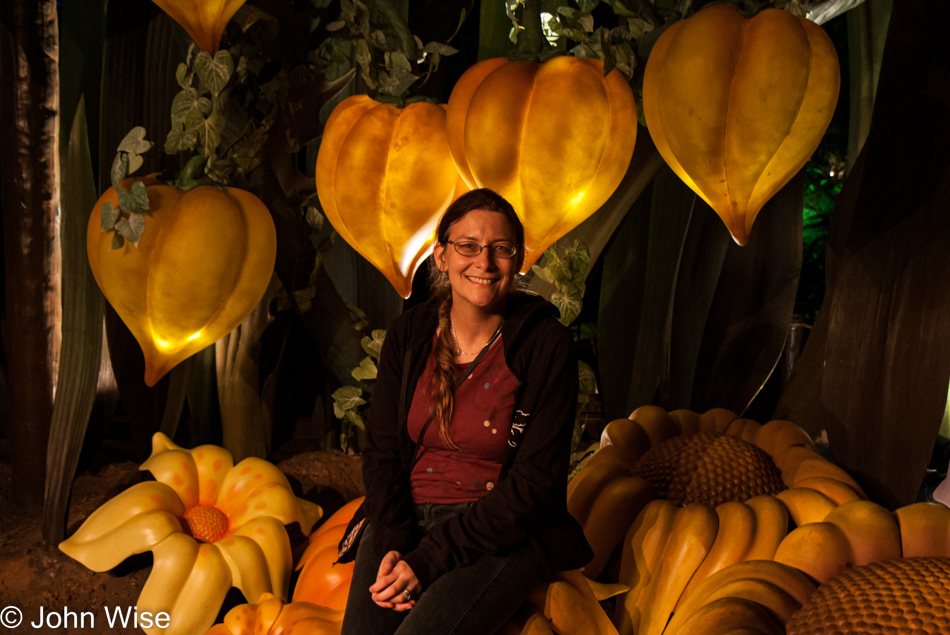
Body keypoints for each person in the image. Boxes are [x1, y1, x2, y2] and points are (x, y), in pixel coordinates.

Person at [339, 188, 592, 635]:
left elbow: (535, 486)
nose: (484, 262)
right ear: (441, 256)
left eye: (500, 249)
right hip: (404, 519)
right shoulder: (410, 334)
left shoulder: (546, 345)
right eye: (468, 246)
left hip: (498, 531)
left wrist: (429, 560)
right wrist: (396, 546)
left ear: (518, 260)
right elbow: (381, 453)